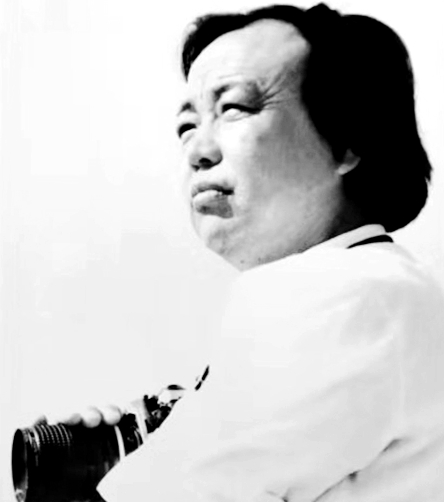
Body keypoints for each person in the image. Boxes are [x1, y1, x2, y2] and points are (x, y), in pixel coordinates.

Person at [60, 3, 444, 501]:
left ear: (348, 140)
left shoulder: (350, 296)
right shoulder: (383, 291)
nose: (198, 150)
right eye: (186, 126)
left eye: (235, 107)